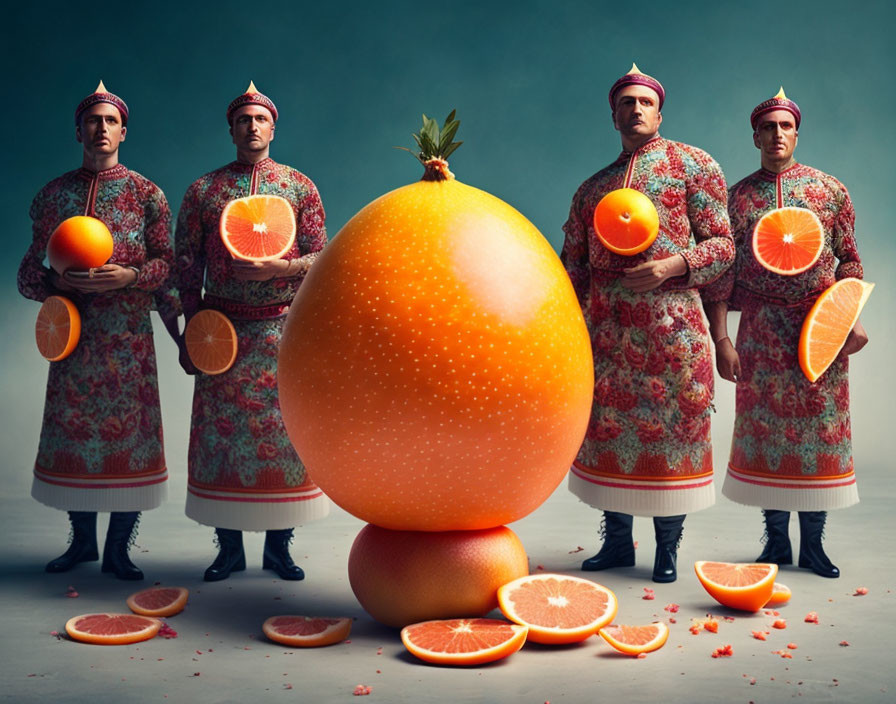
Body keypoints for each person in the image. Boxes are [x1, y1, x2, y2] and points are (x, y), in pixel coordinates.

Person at [561, 64, 734, 582]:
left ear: (660, 111)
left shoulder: (692, 166)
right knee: (607, 436)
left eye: (644, 102)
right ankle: (616, 544)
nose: (634, 109)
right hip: (607, 338)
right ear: (612, 114)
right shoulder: (592, 188)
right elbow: (573, 267)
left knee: (671, 440)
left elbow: (724, 247)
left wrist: (672, 265)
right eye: (625, 102)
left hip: (673, 336)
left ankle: (667, 550)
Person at [18, 82, 180, 580]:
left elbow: (168, 267)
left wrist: (131, 276)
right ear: (78, 131)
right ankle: (83, 543)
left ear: (124, 133)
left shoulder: (146, 194)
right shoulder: (53, 195)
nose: (101, 128)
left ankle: (118, 550)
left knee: (127, 443)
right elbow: (26, 273)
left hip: (127, 342)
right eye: (93, 120)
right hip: (73, 340)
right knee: (78, 442)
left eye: (111, 121)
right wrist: (52, 279)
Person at [703, 88, 867, 578]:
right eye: (768, 127)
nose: (777, 135)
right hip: (760, 331)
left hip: (820, 330)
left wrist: (850, 316)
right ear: (755, 135)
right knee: (765, 435)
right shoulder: (736, 198)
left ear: (797, 133)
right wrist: (722, 341)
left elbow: (850, 260)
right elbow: (719, 278)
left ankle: (813, 546)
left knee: (817, 434)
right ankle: (775, 543)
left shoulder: (829, 190)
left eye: (786, 127)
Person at [175, 82, 329, 582]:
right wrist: (189, 332)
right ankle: (228, 550)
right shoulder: (203, 191)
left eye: (260, 119)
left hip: (280, 332)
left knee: (283, 440)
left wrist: (276, 271)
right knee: (222, 444)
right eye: (244, 119)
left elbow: (321, 259)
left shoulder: (300, 187)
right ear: (231, 129)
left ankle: (280, 550)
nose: (252, 127)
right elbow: (185, 265)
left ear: (273, 127)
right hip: (221, 335)